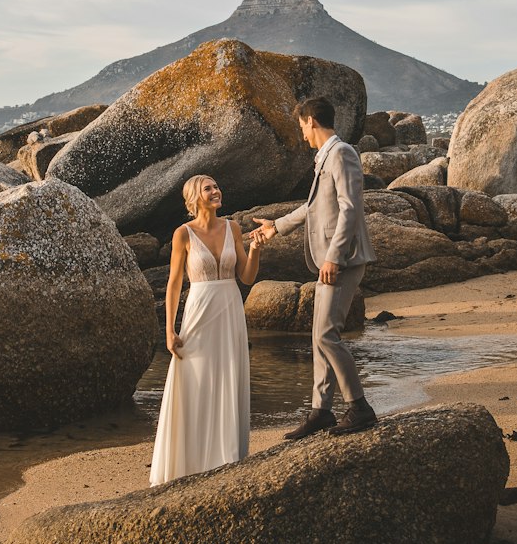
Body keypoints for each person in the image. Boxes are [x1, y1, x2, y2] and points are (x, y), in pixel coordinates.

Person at [252, 96, 378, 438]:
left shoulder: (342, 153)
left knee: (326, 334)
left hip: (343, 259)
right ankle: (320, 411)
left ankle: (359, 407)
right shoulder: (325, 157)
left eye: (302, 127)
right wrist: (275, 226)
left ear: (310, 121)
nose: (302, 135)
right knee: (317, 335)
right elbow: (312, 209)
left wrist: (334, 257)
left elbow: (350, 209)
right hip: (330, 258)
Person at [149, 174, 260, 486]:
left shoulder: (233, 228)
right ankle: (191, 460)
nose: (216, 191)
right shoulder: (183, 234)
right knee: (194, 379)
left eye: (216, 186)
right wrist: (169, 330)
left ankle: (225, 457)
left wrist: (255, 250)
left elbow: (247, 277)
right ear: (195, 197)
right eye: (208, 188)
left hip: (230, 309)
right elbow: (174, 284)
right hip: (199, 310)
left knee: (228, 375)